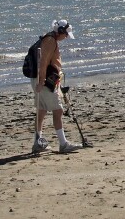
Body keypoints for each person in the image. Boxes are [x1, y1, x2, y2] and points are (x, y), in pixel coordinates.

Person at [31, 19, 83, 154]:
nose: (66, 37)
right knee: (58, 110)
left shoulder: (49, 39)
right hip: (44, 81)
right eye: (65, 35)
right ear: (60, 32)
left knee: (41, 109)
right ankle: (63, 144)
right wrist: (41, 81)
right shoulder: (50, 41)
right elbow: (42, 63)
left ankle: (37, 142)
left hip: (42, 79)